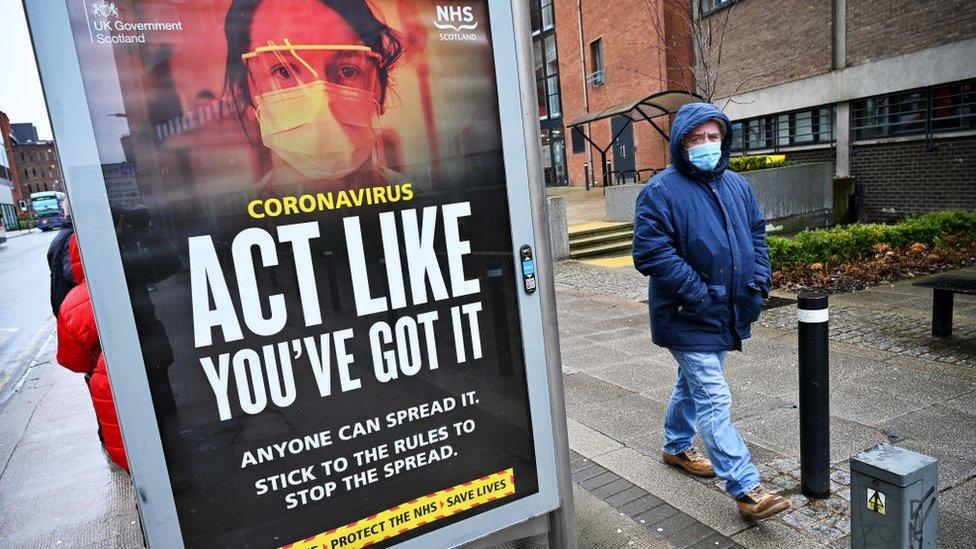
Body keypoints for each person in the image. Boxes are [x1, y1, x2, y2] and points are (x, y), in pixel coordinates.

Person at [632, 102, 789, 520]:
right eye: (696, 138)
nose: (706, 145)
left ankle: (676, 446)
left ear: (724, 139)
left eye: (713, 136)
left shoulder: (736, 185)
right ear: (681, 143)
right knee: (714, 396)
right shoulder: (660, 191)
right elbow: (650, 252)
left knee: (693, 386)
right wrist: (697, 293)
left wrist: (759, 282)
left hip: (726, 311)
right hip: (688, 313)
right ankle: (745, 486)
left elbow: (756, 234)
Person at [223, 0, 404, 192]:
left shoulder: (422, 204)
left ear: (381, 89)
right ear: (246, 91)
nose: (322, 104)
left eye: (348, 71)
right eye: (284, 72)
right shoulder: (232, 219)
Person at [55, 234, 128, 471]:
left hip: (112, 391)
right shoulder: (132, 280)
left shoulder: (72, 304)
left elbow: (74, 361)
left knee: (133, 457)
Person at [47, 217, 76, 315]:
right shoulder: (74, 237)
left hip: (62, 302)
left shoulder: (61, 236)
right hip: (70, 304)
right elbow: (72, 274)